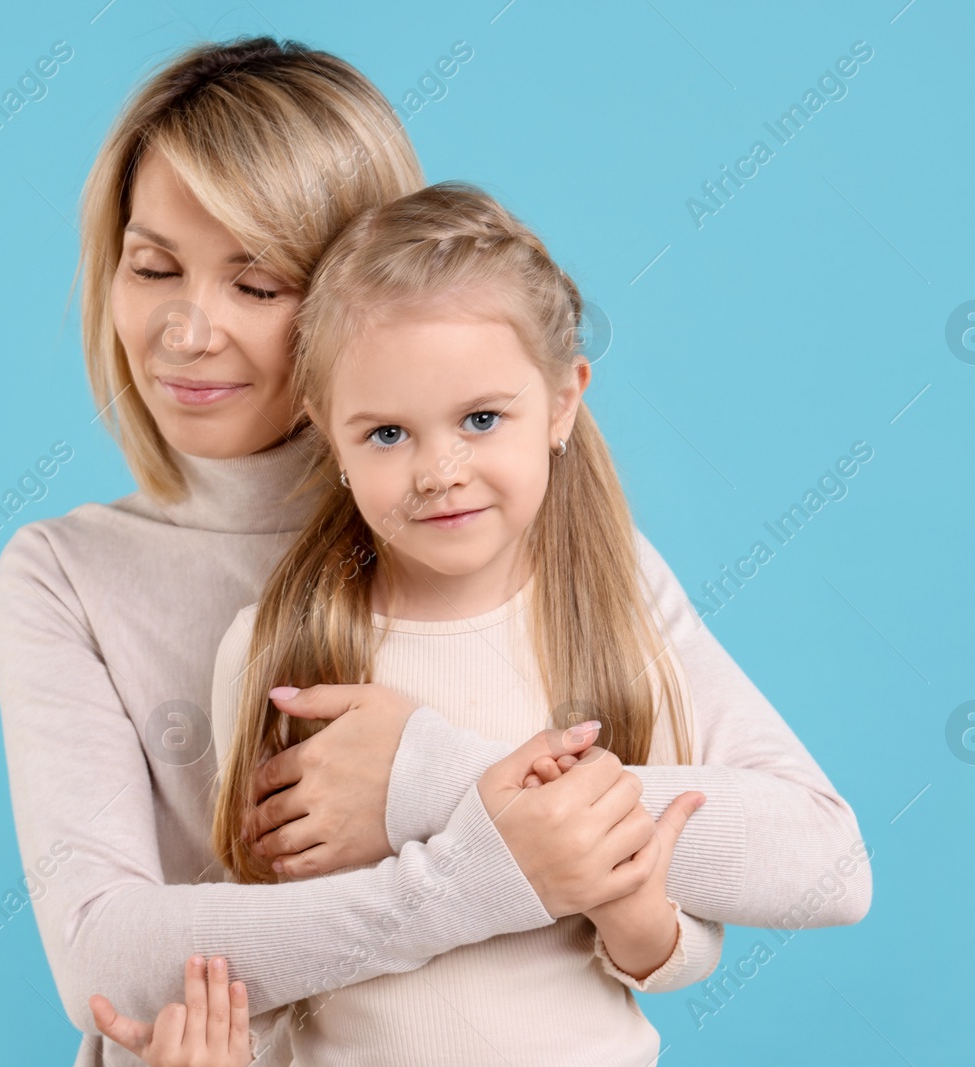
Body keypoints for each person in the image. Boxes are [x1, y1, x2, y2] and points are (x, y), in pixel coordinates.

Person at [0, 35, 870, 1067]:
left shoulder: (543, 544)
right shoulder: (67, 574)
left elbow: (816, 855)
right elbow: (107, 961)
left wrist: (431, 774)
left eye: (257, 284)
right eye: (151, 268)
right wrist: (475, 873)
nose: (188, 330)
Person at [103, 182, 730, 1066]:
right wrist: (220, 1044)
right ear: (329, 431)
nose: (440, 470)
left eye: (481, 418)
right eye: (388, 434)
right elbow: (277, 944)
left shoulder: (614, 631)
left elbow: (684, 949)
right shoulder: (282, 652)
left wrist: (630, 907)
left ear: (561, 401)